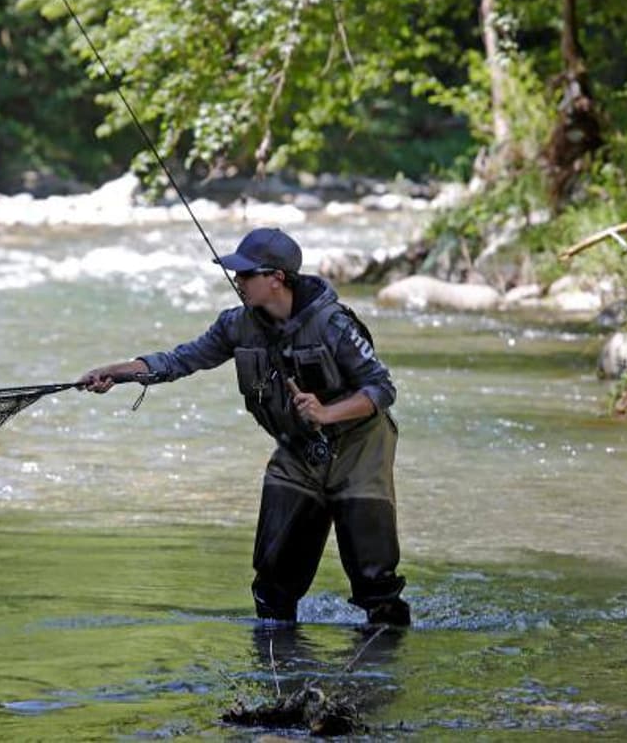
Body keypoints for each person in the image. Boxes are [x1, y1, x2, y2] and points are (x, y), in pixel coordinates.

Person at [80, 227, 410, 626]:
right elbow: (180, 360)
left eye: (246, 274)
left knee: (375, 585)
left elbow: (381, 388)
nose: (238, 282)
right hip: (298, 450)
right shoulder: (236, 325)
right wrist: (117, 373)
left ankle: (380, 671)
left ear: (277, 278)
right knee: (272, 585)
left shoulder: (333, 324)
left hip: (360, 449)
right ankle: (281, 672)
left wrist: (326, 413)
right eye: (236, 274)